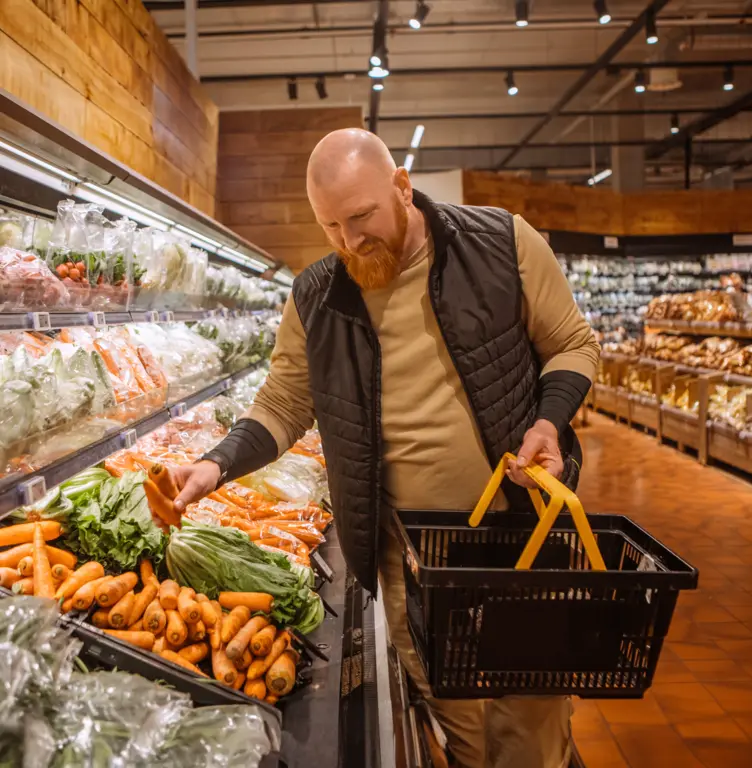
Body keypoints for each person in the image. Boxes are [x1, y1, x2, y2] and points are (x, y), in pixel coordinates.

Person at [171, 128, 600, 768]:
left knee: (531, 721)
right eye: (330, 226)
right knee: (458, 720)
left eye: (361, 217)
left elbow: (572, 344)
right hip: (411, 559)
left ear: (402, 186)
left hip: (521, 535)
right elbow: (283, 404)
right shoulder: (316, 296)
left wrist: (548, 422)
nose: (349, 241)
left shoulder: (501, 242)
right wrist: (216, 463)